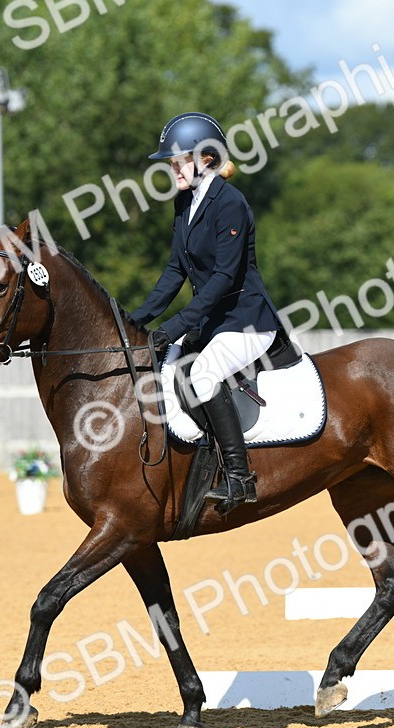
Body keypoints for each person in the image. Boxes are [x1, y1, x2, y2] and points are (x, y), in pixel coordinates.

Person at [130, 112, 285, 512]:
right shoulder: (184, 202)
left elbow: (222, 278)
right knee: (171, 369)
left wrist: (177, 325)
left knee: (202, 373)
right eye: (172, 162)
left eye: (179, 160)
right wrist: (138, 318)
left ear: (208, 158)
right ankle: (208, 457)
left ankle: (239, 476)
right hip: (213, 322)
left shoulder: (231, 203)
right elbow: (174, 270)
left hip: (247, 320)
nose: (173, 169)